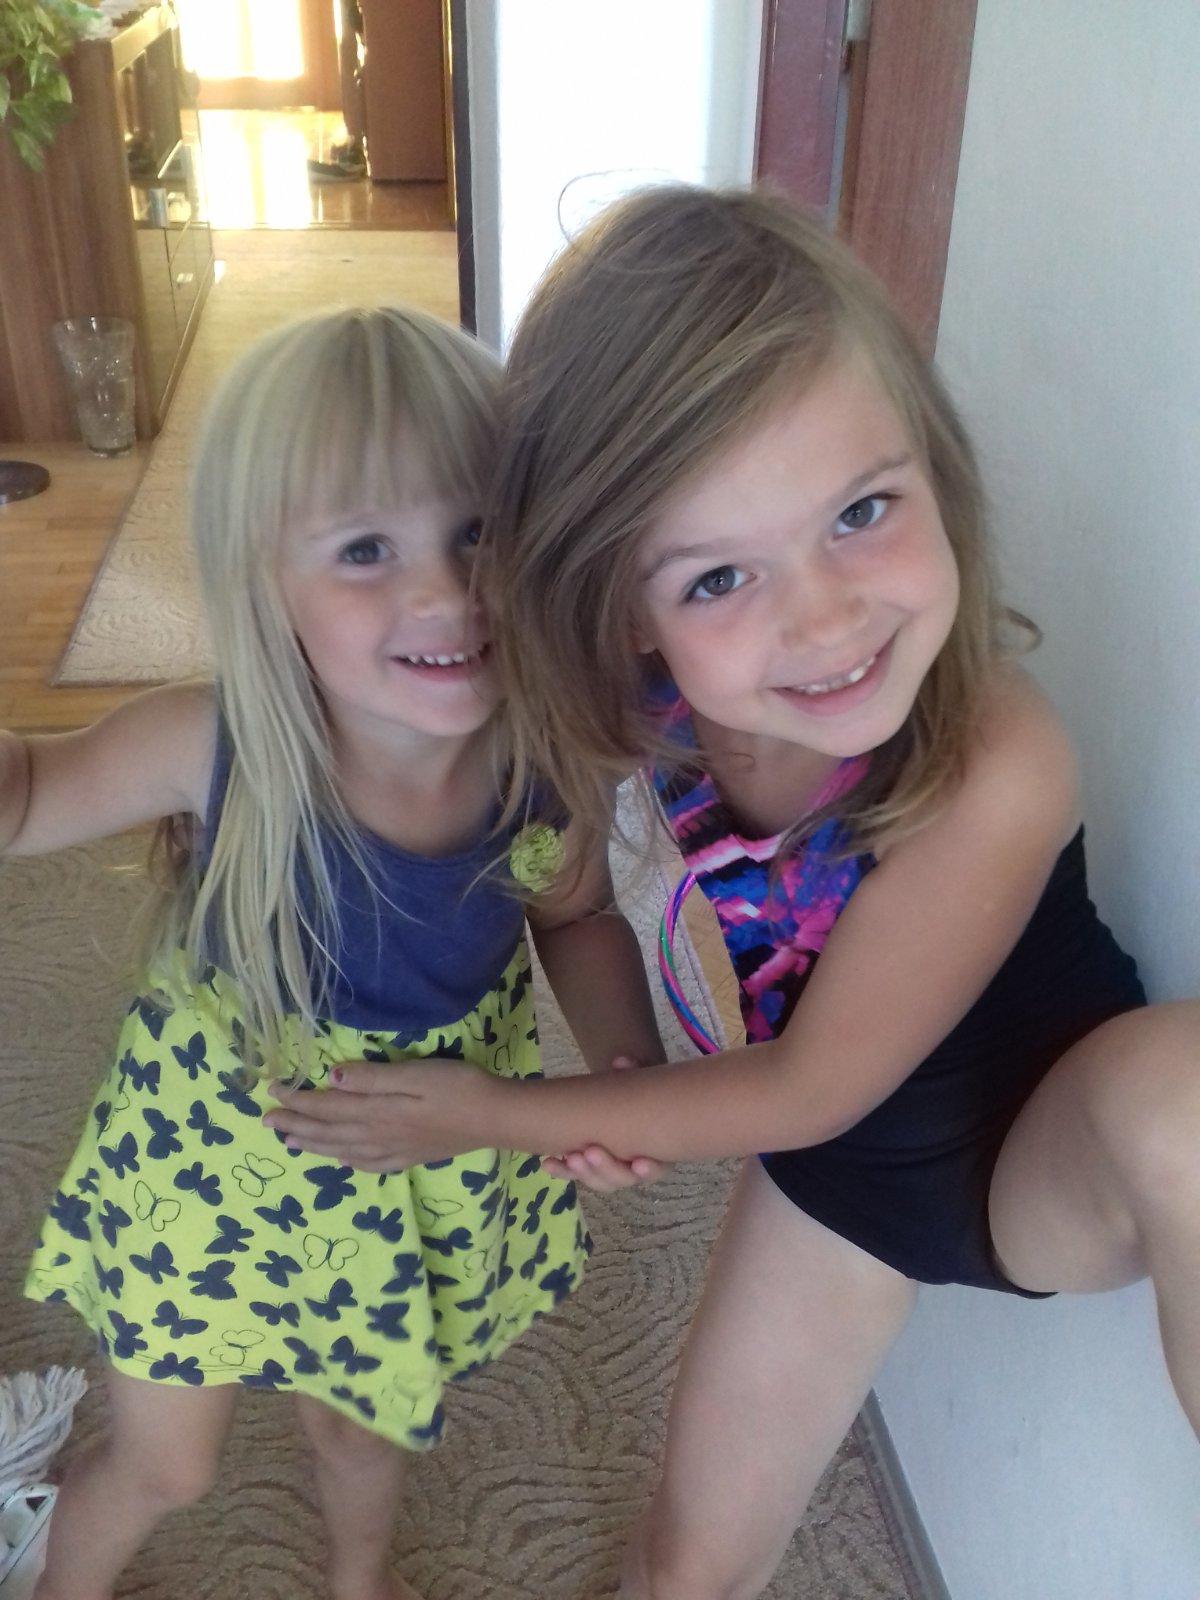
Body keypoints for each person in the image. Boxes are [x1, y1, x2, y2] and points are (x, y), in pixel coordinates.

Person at [268, 188, 1200, 1599]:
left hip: (1026, 1153)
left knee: (1182, 1102)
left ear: (937, 467)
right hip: (831, 1180)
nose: (824, 618)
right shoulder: (630, 711)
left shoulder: (1003, 757)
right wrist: (622, 1067)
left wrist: (490, 1113)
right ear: (621, 608)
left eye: (862, 511)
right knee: (684, 1572)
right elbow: (576, 903)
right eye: (716, 578)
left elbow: (809, 1087)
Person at [2, 304, 663, 1600]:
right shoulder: (217, 741)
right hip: (211, 1153)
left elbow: (577, 916)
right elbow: (28, 802)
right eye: (366, 548)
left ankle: (361, 1584)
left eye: (480, 531)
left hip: (418, 1147)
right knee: (168, 1465)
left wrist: (625, 1063)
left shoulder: (542, 759)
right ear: (265, 583)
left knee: (365, 1426)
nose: (447, 590)